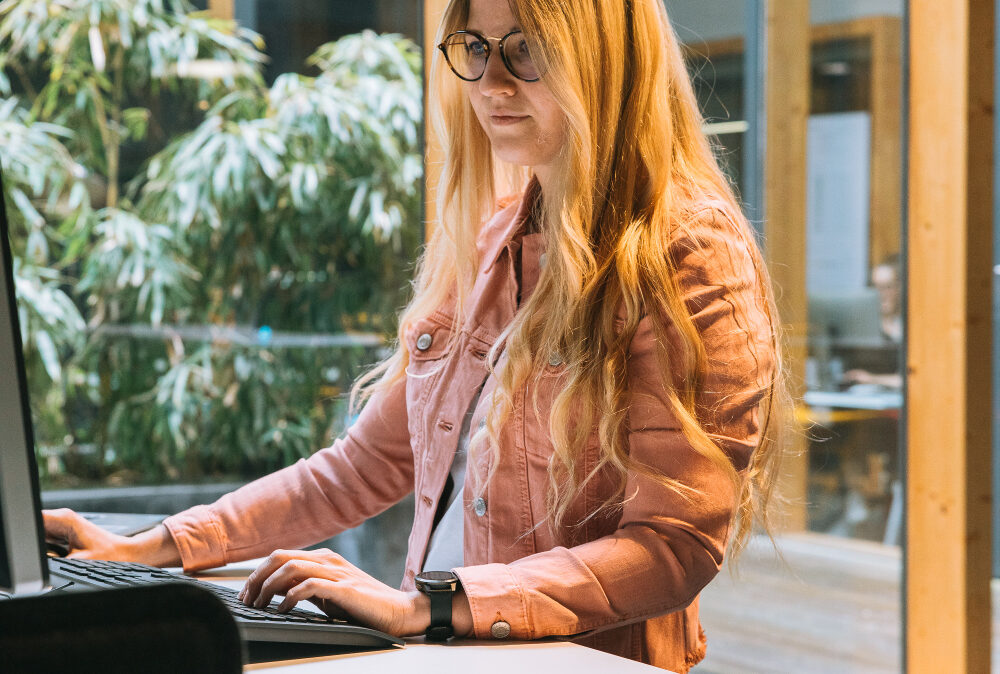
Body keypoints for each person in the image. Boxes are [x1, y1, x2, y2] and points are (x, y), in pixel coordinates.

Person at [43, 1, 787, 671]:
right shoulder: (499, 236)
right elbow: (362, 466)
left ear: (604, 58)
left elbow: (671, 547)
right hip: (439, 653)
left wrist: (431, 604)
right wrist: (151, 548)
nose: (492, 82)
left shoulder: (690, 255)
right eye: (475, 46)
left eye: (527, 50)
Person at [842, 253, 903, 390]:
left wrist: (871, 379)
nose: (880, 294)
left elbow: (912, 379)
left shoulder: (910, 327)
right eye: (875, 287)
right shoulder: (862, 326)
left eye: (888, 287)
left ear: (900, 288)